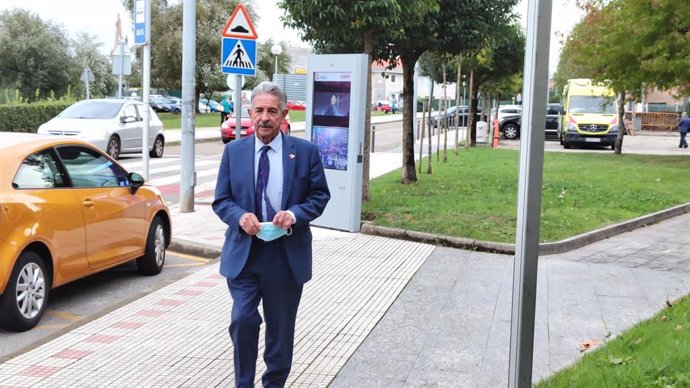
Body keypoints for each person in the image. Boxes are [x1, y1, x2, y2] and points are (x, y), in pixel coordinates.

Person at [212, 81, 330, 388]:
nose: (265, 117)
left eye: (272, 111)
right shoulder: (233, 152)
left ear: (284, 115)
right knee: (243, 320)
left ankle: (273, 384)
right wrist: (240, 216)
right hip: (245, 255)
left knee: (280, 330)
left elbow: (319, 196)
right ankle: (243, 384)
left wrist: (293, 214)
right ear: (250, 113)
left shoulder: (305, 152)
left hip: (285, 256)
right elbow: (221, 200)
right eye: (259, 110)